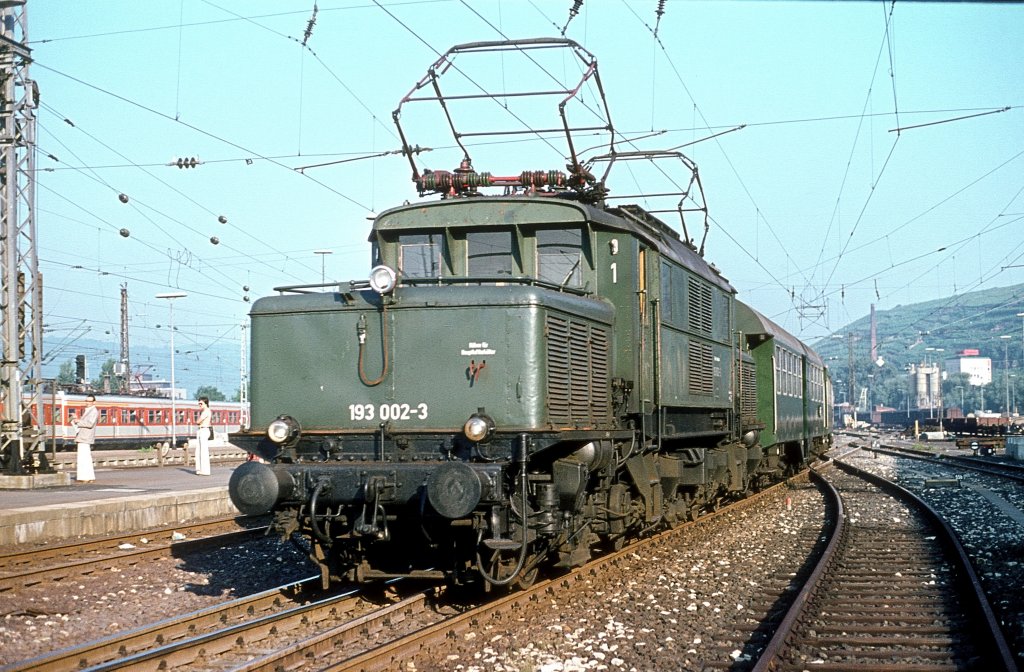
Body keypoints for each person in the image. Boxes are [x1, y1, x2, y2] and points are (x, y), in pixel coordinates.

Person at [73, 394, 98, 483]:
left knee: (83, 458)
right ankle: (88, 476)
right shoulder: (88, 410)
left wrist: (78, 421)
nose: (88, 403)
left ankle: (85, 477)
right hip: (83, 436)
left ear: (94, 402)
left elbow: (90, 424)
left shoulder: (93, 411)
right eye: (87, 401)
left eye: (90, 401)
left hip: (85, 437)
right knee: (85, 457)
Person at [195, 396, 212, 476]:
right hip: (201, 430)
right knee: (199, 450)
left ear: (206, 403)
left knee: (203, 451)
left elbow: (198, 421)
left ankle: (205, 470)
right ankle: (199, 469)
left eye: (201, 403)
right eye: (199, 403)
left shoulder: (206, 411)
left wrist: (199, 422)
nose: (199, 405)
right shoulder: (204, 411)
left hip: (204, 430)